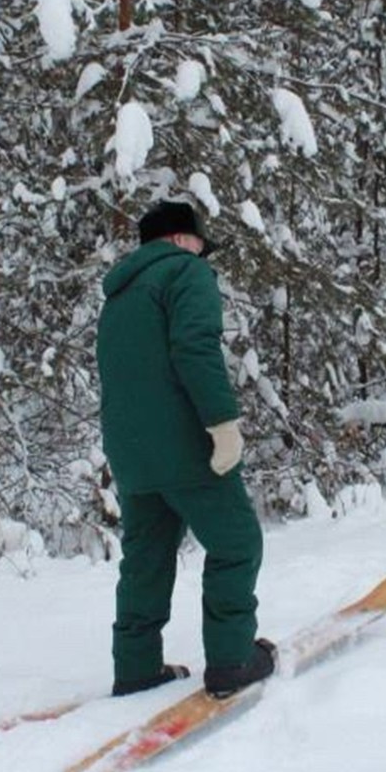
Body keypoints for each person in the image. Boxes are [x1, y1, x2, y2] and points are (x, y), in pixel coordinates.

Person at [96, 200, 275, 699]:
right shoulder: (185, 273)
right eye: (199, 243)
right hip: (184, 444)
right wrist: (222, 423)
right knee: (236, 542)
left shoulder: (119, 295)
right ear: (179, 240)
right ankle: (232, 659)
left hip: (129, 451)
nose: (203, 253)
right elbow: (195, 347)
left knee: (146, 558)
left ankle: (136, 668)